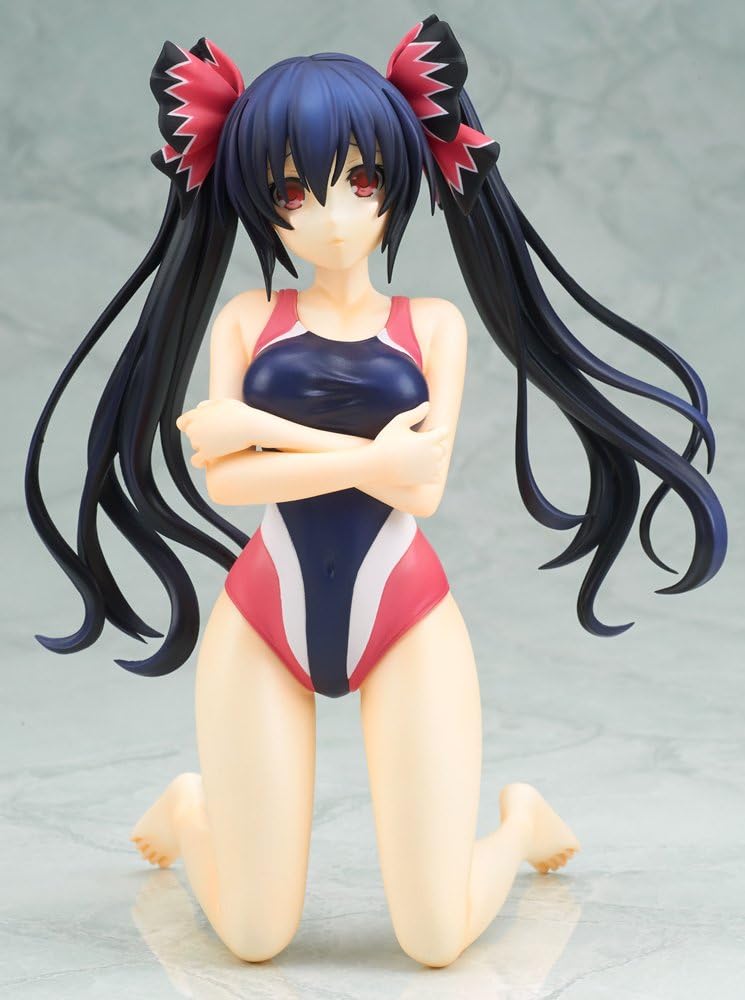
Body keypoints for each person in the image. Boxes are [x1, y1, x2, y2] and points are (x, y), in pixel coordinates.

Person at [24, 16, 726, 968]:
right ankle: (193, 813)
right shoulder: (246, 317)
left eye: (361, 182)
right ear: (255, 200)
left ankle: (519, 822)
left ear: (400, 181)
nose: (332, 217)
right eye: (291, 192)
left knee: (434, 939)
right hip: (262, 615)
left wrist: (265, 428)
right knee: (254, 938)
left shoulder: (432, 325)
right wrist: (356, 458)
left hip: (405, 613)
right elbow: (229, 480)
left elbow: (419, 486)